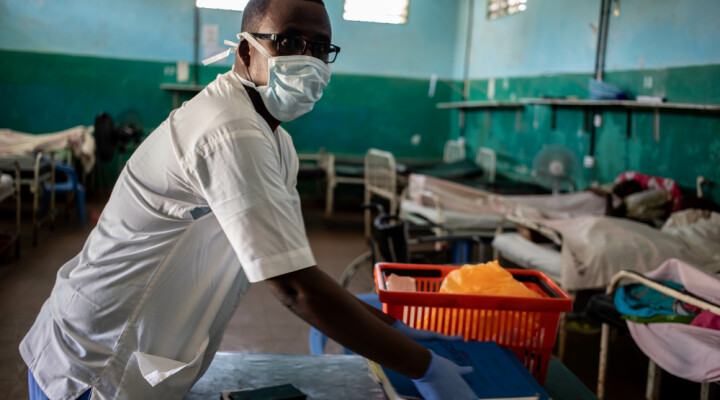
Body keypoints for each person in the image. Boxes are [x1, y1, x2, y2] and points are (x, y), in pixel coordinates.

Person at [20, 0, 477, 398]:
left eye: (321, 49)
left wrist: (393, 329)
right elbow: (295, 288)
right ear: (245, 50)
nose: (309, 59)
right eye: (290, 42)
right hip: (94, 366)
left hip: (133, 361)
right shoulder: (229, 129)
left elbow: (295, 267)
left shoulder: (277, 144)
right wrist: (424, 368)